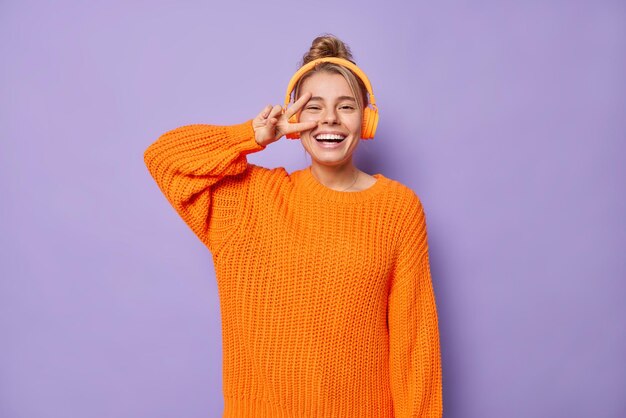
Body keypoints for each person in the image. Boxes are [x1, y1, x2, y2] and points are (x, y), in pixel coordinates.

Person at [144, 34, 443, 417]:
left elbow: (414, 346)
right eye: (314, 107)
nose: (330, 119)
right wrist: (251, 136)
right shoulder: (251, 200)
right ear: (295, 119)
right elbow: (163, 158)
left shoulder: (398, 209)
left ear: (366, 120)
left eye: (346, 106)